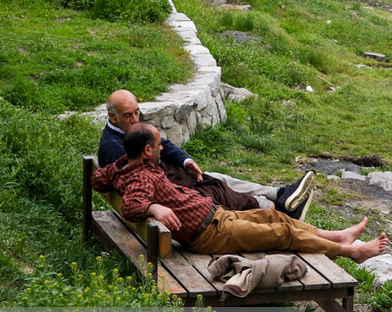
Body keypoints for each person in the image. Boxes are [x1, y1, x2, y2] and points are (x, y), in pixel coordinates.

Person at [92, 122, 389, 262]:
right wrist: (154, 209)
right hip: (210, 234)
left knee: (279, 220)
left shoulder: (125, 166)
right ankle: (350, 252)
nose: (162, 148)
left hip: (218, 217)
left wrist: (119, 166)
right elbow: (132, 205)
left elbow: (98, 178)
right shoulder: (140, 177)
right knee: (281, 235)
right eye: (158, 145)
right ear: (146, 151)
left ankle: (336, 236)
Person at [99, 90, 314, 219]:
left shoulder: (131, 130)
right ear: (113, 117)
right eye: (129, 115)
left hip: (175, 181)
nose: (136, 118)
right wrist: (183, 185)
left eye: (137, 111)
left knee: (220, 178)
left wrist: (186, 161)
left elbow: (163, 143)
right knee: (226, 192)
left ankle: (281, 194)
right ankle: (281, 212)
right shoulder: (114, 149)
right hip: (178, 194)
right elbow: (144, 185)